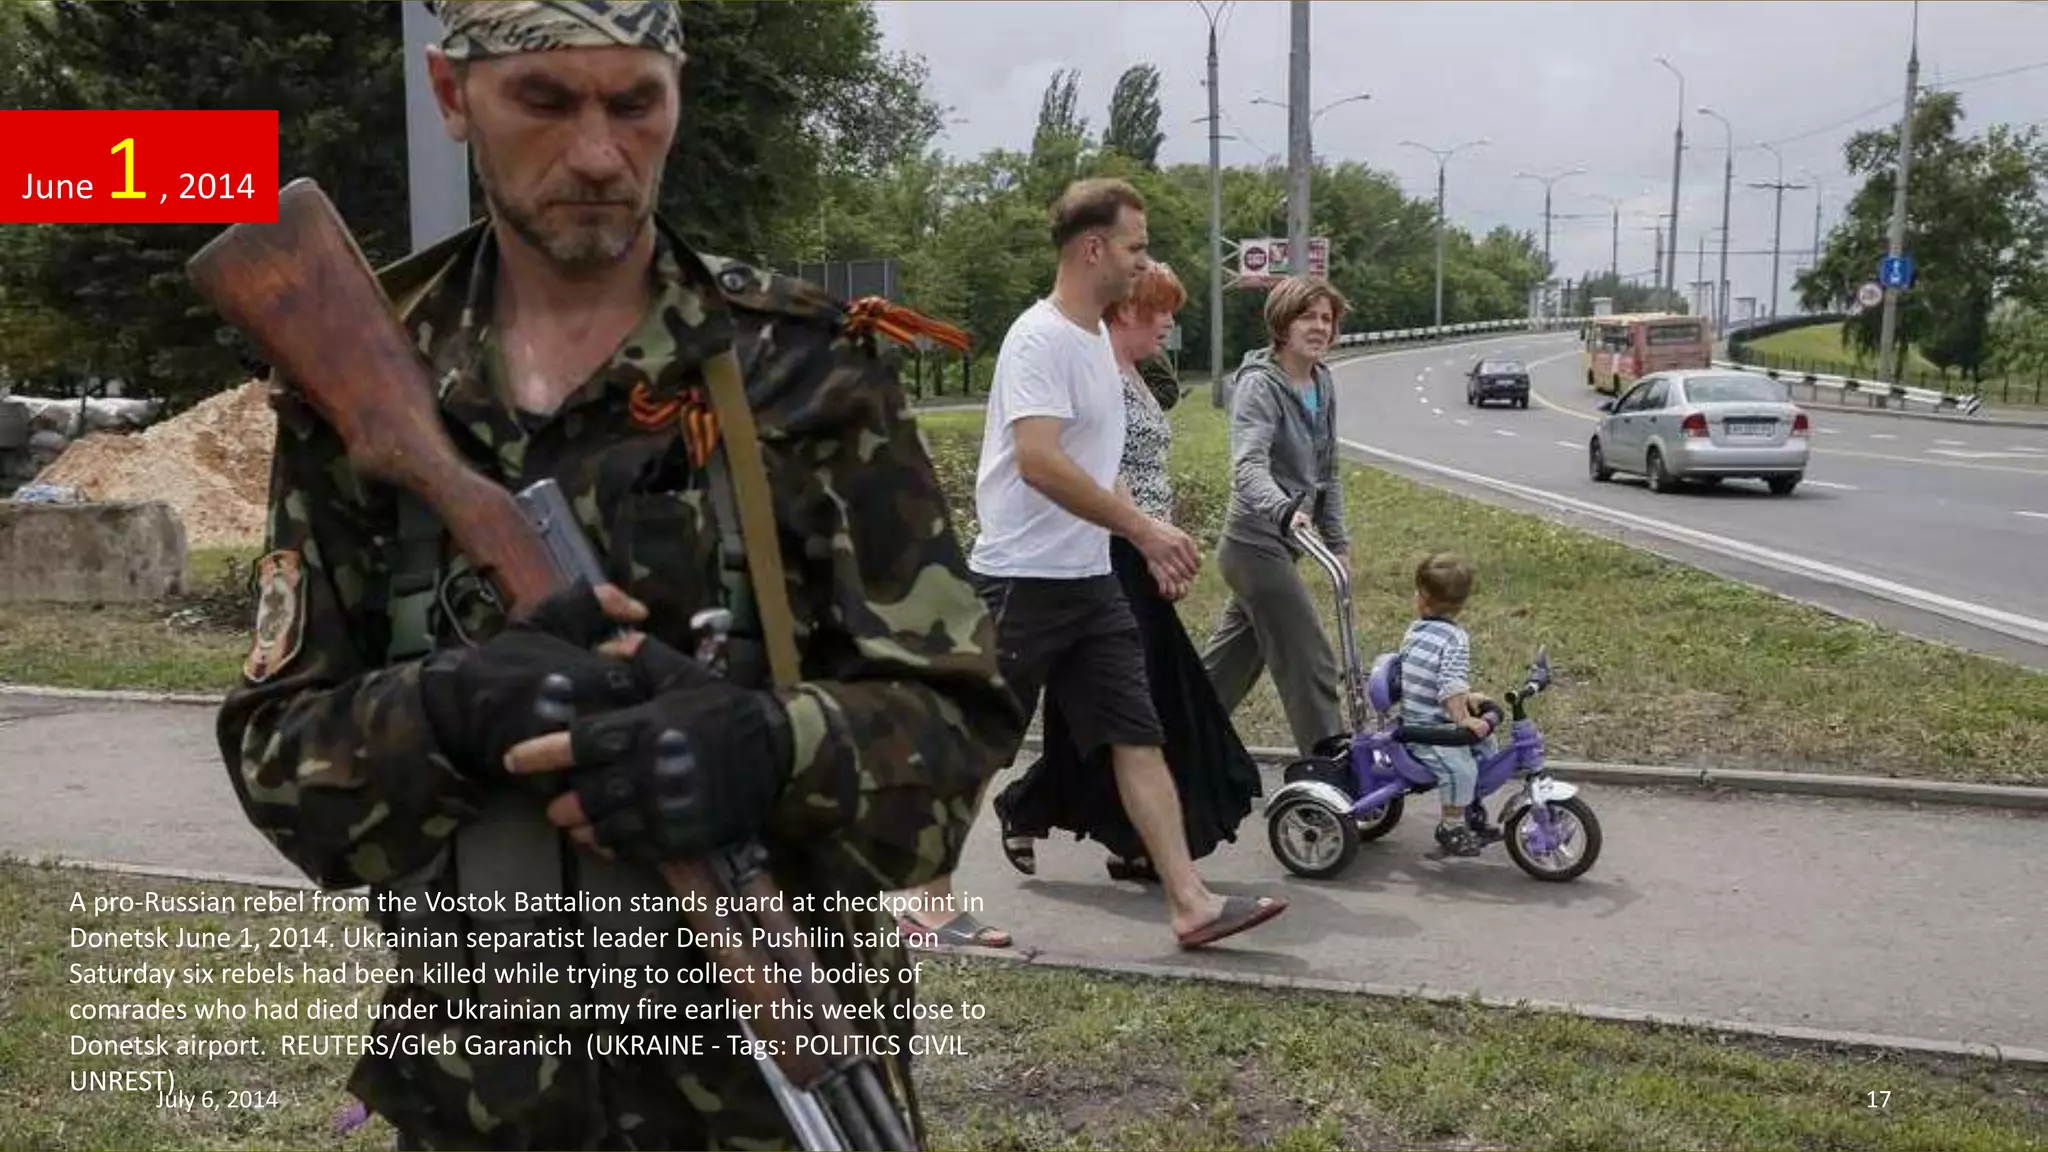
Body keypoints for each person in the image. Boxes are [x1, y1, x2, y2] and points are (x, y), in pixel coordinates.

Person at [212, 3, 1022, 1147]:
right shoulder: (356, 383)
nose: (598, 154)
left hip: (762, 1100)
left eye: (634, 103)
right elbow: (279, 768)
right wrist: (443, 711)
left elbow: (957, 728)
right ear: (451, 95)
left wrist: (770, 749)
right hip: (477, 1109)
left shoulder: (803, 373)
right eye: (544, 100)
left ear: (677, 93)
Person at [896, 178, 1288, 952]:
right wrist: (1141, 526)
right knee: (982, 742)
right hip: (1022, 580)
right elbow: (1040, 461)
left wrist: (1145, 535)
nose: (1144, 261)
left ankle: (1190, 903)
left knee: (1137, 735)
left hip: (1089, 583)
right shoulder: (1039, 338)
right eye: (1136, 247)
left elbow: (1095, 462)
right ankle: (925, 902)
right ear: (1094, 248)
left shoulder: (1092, 345)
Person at [992, 261, 1264, 884]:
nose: (1169, 321)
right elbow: (1100, 469)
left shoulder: (1134, 374)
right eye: (1158, 309)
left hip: (1140, 550)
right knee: (1141, 703)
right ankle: (1050, 811)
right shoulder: (1100, 377)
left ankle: (1112, 833)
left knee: (1122, 706)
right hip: (1112, 552)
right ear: (1124, 310)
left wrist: (1163, 543)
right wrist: (1147, 542)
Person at [1201, 276, 1354, 759]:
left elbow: (1327, 470)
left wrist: (1338, 542)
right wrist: (1284, 510)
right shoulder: (1259, 385)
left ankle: (1167, 742)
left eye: (1326, 318)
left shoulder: (1321, 381)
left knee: (1227, 667)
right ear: (1282, 324)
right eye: (1307, 317)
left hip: (1287, 542)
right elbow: (1247, 467)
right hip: (1253, 543)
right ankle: (1329, 764)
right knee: (1310, 657)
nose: (1319, 327)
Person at [1397, 552, 1505, 857]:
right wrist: (1463, 717)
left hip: (1427, 716)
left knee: (1486, 748)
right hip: (1427, 729)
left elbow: (1433, 679)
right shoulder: (1455, 639)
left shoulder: (1415, 630)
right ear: (1462, 603)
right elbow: (1449, 685)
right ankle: (1451, 827)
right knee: (1462, 770)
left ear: (1423, 598)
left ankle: (1468, 809)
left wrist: (1466, 698)